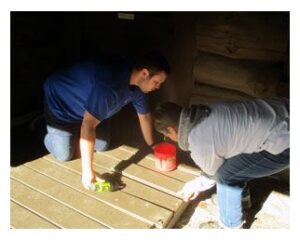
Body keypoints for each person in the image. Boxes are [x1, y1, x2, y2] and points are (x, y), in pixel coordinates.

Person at [152, 98, 289, 228]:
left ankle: (230, 226)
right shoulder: (209, 109)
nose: (170, 138)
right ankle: (242, 201)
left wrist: (195, 185)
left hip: (285, 142)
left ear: (172, 130)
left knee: (226, 177)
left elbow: (214, 174)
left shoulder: (197, 140)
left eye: (167, 136)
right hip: (284, 109)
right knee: (231, 156)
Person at [43, 51, 170, 190]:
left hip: (86, 109)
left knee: (102, 145)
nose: (158, 87)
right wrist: (88, 172)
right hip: (62, 106)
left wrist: (153, 145)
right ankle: (48, 131)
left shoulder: (139, 87)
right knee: (64, 155)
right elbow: (88, 125)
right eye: (156, 82)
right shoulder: (109, 85)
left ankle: (73, 134)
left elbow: (144, 115)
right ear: (144, 73)